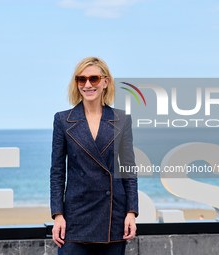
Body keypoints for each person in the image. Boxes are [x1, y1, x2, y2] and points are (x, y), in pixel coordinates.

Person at [50, 57, 138, 255]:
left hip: (113, 218)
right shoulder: (63, 120)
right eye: (81, 79)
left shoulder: (122, 119)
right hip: (75, 218)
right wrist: (58, 214)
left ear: (105, 82)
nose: (87, 84)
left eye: (94, 79)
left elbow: (128, 169)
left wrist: (131, 212)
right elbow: (57, 171)